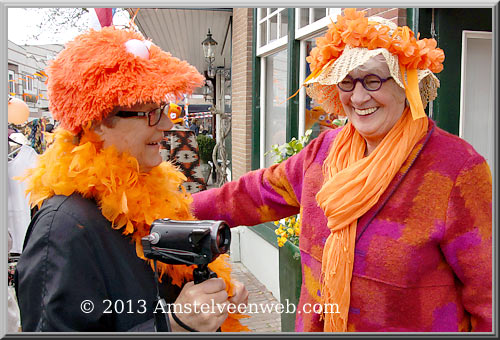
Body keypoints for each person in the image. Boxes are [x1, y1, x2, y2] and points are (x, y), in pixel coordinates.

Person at [191, 9, 492, 332]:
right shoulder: (323, 152)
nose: (359, 97)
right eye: (347, 81)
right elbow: (254, 194)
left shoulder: (457, 168)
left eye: (373, 79)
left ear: (406, 83)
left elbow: (488, 296)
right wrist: (175, 209)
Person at [15, 27, 248, 332]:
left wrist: (212, 295)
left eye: (163, 109)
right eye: (150, 112)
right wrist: (174, 325)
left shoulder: (151, 192)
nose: (166, 124)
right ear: (97, 122)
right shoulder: (62, 228)